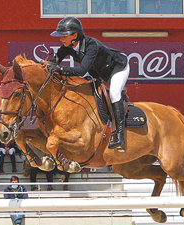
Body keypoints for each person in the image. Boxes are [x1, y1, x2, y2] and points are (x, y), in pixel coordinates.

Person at [47, 17, 130, 151]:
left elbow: (81, 70)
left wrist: (61, 69)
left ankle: (120, 137)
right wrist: (45, 67)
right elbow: (54, 61)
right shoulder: (67, 46)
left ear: (75, 35)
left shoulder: (92, 45)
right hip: (96, 71)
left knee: (114, 93)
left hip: (117, 67)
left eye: (64, 36)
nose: (60, 38)